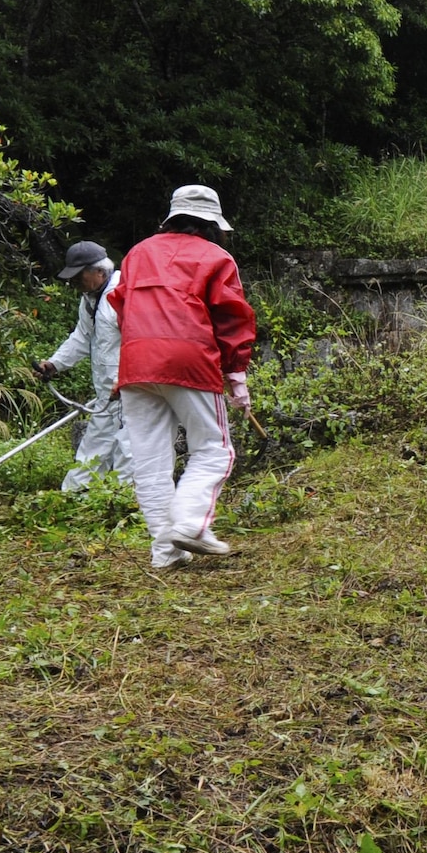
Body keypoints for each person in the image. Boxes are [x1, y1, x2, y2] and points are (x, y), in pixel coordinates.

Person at [111, 185, 257, 570]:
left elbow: (121, 307)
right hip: (189, 359)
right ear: (212, 223)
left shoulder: (138, 252)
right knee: (214, 450)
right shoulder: (216, 256)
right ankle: (191, 525)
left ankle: (165, 553)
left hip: (136, 362)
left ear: (173, 217)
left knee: (151, 462)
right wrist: (236, 374)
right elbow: (231, 317)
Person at [35, 241, 132, 492]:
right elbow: (82, 336)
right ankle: (73, 497)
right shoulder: (90, 298)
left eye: (79, 275)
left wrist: (126, 377)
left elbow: (142, 339)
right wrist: (55, 364)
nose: (74, 281)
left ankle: (126, 505)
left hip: (131, 388)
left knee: (129, 448)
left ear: (99, 271)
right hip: (106, 392)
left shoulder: (124, 293)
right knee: (95, 444)